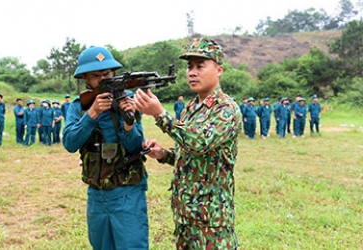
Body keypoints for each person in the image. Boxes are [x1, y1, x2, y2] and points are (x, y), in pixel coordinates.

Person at [135, 37, 241, 249]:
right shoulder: (192, 107)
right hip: (186, 215)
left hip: (212, 221)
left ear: (219, 70)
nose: (192, 72)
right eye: (189, 67)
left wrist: (160, 115)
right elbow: (191, 154)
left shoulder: (226, 109)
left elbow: (200, 142)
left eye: (200, 66)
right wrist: (164, 154)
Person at [63, 46, 149, 249]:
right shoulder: (80, 106)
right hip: (97, 193)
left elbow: (135, 146)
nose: (103, 80)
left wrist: (129, 123)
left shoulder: (127, 100)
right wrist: (92, 114)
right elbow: (69, 143)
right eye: (96, 76)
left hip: (127, 191)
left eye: (107, 74)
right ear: (85, 78)